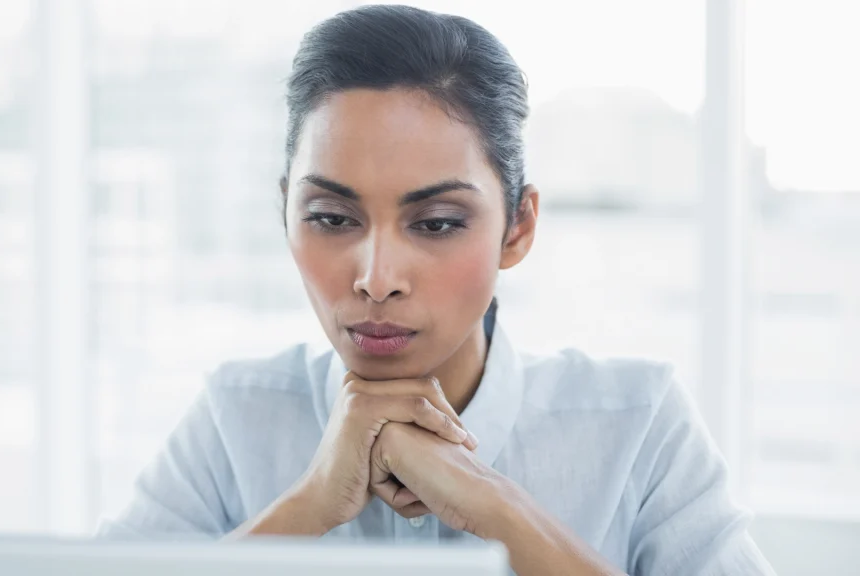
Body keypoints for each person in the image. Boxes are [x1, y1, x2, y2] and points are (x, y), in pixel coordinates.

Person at [98, 5, 776, 575]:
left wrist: (495, 508)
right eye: (332, 218)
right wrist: (306, 508)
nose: (377, 278)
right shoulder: (235, 417)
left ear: (517, 228)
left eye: (437, 223)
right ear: (286, 215)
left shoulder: (639, 424)